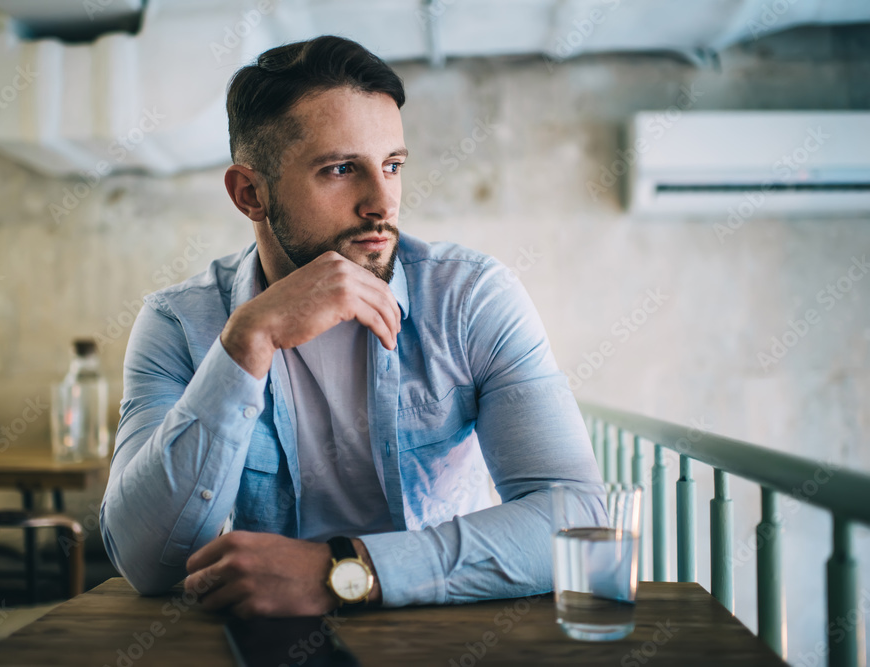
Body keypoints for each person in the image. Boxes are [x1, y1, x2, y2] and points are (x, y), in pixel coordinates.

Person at [101, 35, 601, 617]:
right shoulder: (178, 324)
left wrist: (343, 571)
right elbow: (144, 560)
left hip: (445, 628)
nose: (382, 202)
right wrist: (246, 343)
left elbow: (577, 520)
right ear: (250, 194)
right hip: (263, 637)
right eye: (341, 169)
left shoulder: (470, 299)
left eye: (392, 166)